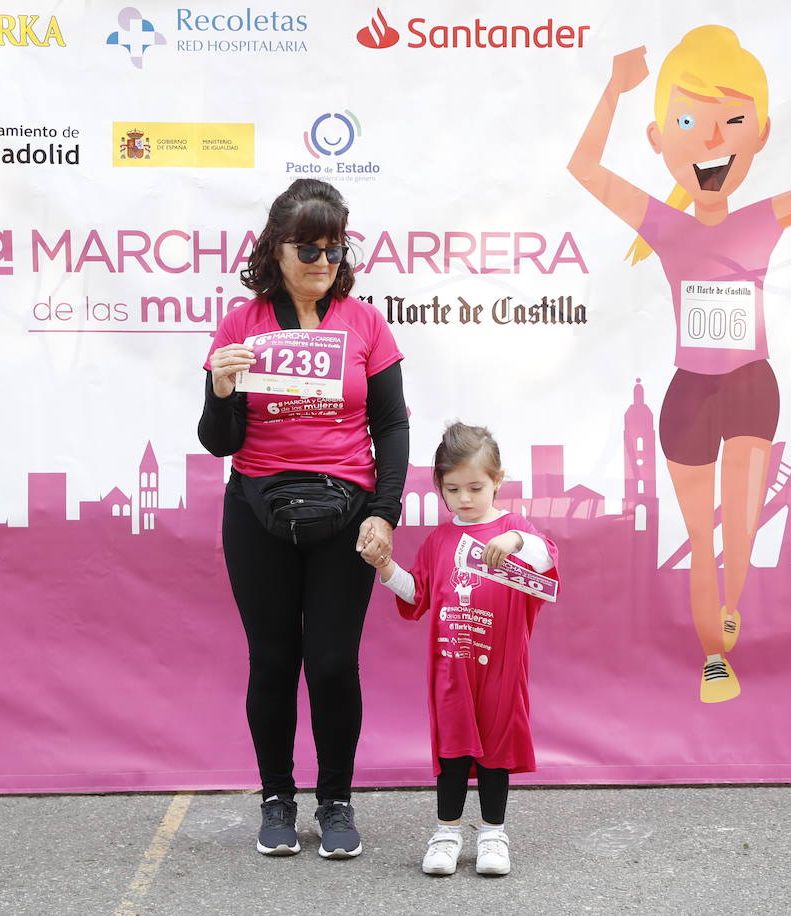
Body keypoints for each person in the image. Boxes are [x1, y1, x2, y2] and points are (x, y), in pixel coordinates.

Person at [568, 26, 791, 703]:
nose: (709, 140)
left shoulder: (762, 217)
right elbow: (584, 170)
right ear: (659, 139)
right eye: (689, 121)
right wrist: (613, 87)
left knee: (742, 533)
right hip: (689, 396)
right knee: (704, 539)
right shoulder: (662, 226)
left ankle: (729, 619)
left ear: (758, 135)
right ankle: (715, 657)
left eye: (731, 122)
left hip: (752, 387)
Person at [199, 178, 409, 859]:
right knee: (273, 660)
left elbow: (392, 426)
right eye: (308, 248)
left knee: (331, 662)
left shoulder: (365, 323)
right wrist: (221, 388)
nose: (323, 260)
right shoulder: (242, 323)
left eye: (334, 247)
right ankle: (276, 800)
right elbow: (220, 440)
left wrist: (384, 513)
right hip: (257, 508)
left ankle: (337, 801)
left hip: (345, 511)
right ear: (275, 249)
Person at [365, 422, 559, 877]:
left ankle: (493, 834)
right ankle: (446, 832)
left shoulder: (514, 527)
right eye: (453, 489)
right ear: (439, 487)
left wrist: (515, 541)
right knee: (452, 751)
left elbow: (548, 557)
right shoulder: (439, 540)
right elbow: (417, 596)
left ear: (498, 480)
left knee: (495, 751)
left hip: (502, 667)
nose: (465, 498)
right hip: (451, 668)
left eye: (476, 486)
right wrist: (386, 566)